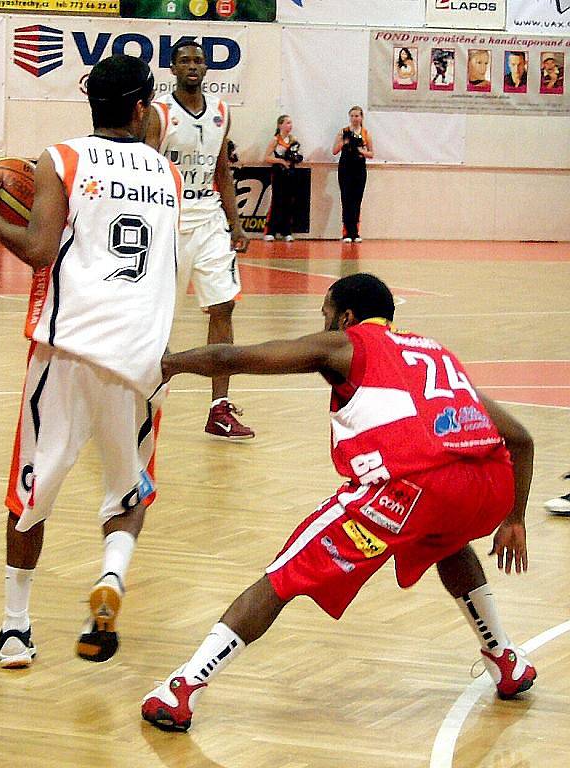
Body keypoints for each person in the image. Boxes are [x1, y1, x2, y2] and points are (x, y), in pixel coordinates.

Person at [141, 273, 537, 732]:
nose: (324, 323)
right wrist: (515, 519)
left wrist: (170, 363)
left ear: (345, 316)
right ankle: (504, 658)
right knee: (446, 540)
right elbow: (521, 439)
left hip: (406, 488)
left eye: (326, 314)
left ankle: (184, 687)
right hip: (488, 484)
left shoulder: (346, 345)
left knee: (283, 574)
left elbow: (236, 357)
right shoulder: (434, 353)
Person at [0, 55, 181, 669]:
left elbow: (38, 251)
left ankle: (14, 628)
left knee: (31, 490)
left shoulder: (59, 158)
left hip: (66, 351)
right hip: (140, 359)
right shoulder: (166, 174)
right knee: (129, 488)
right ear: (140, 109)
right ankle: (111, 577)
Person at [145, 40, 254, 441]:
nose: (193, 65)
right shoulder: (159, 114)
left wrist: (236, 223)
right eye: (185, 60)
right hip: (168, 221)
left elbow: (222, 169)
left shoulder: (221, 112)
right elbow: (144, 169)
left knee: (223, 305)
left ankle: (219, 409)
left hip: (209, 219)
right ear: (172, 69)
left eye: (199, 60)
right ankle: (137, 395)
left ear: (207, 68)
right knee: (155, 314)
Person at [332, 106, 373, 243]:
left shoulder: (366, 133)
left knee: (357, 200)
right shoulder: (343, 132)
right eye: (352, 116)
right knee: (346, 199)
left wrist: (360, 150)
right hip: (345, 168)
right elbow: (334, 151)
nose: (355, 119)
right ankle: (346, 232)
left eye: (357, 116)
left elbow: (371, 153)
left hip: (359, 169)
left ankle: (355, 232)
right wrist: (345, 142)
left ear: (361, 118)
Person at [263, 114, 302, 242]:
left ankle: (286, 231)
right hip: (278, 172)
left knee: (288, 201)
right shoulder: (275, 140)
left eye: (290, 123)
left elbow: (297, 155)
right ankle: (271, 231)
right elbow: (267, 157)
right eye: (287, 123)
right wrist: (281, 161)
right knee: (277, 200)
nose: (289, 126)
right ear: (280, 125)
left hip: (290, 172)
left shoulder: (293, 140)